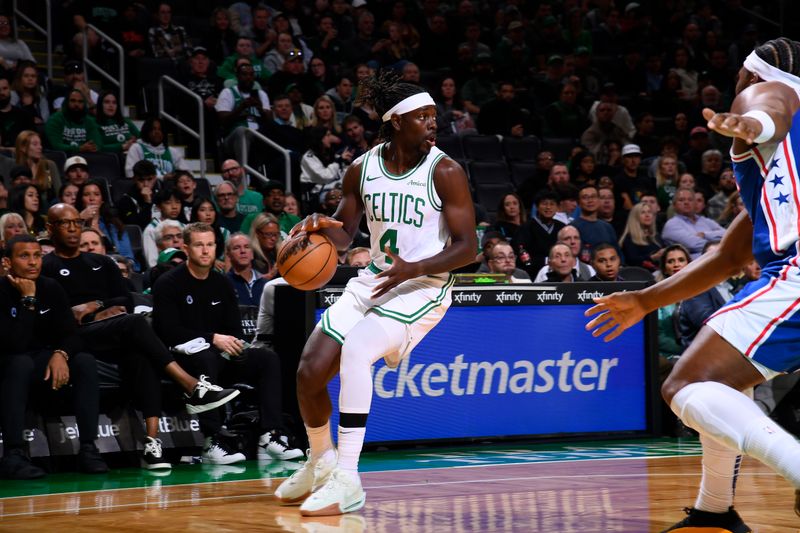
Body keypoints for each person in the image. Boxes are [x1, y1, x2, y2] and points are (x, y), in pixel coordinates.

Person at [585, 37, 800, 531]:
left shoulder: (765, 95)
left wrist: (752, 122)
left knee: (689, 383)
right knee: (724, 379)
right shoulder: (783, 170)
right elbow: (729, 255)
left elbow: (772, 105)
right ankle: (713, 508)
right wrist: (643, 299)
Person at [273, 72, 476, 515]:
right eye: (422, 116)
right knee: (309, 372)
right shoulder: (361, 168)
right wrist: (319, 228)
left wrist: (415, 267)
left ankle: (348, 476)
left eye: (433, 116)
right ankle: (321, 462)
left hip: (423, 286)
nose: (431, 123)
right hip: (376, 280)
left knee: (357, 349)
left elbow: (468, 249)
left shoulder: (445, 171)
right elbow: (345, 234)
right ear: (396, 121)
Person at [42, 204, 240, 470]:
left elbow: (124, 298)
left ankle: (151, 444)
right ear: (50, 228)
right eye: (65, 223)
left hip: (113, 331)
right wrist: (89, 313)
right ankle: (192, 387)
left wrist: (94, 305)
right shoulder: (46, 266)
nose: (73, 228)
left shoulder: (102, 263)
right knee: (137, 324)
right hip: (77, 337)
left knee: (141, 354)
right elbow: (55, 313)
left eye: (77, 222)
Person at [152, 222, 302, 464]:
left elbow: (232, 330)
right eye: (199, 245)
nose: (205, 251)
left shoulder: (221, 283)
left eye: (210, 245)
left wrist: (234, 344)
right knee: (205, 358)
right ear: (186, 248)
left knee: (266, 359)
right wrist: (212, 339)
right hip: (182, 360)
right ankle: (212, 441)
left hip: (219, 354)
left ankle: (270, 435)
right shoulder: (168, 283)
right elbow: (167, 332)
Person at [0, 235, 107, 479]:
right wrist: (28, 300)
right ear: (7, 262)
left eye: (37, 256)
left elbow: (72, 335)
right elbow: (15, 345)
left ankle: (88, 449)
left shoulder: (51, 287)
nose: (32, 262)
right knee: (21, 362)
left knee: (84, 361)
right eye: (24, 256)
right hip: (8, 363)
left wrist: (61, 353)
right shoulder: (1, 291)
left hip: (42, 361)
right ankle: (13, 454)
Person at [662, 187, 726, 259]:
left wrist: (705, 234)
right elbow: (694, 245)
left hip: (718, 258)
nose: (686, 202)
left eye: (690, 200)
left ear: (695, 203)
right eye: (681, 200)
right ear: (674, 205)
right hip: (692, 266)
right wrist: (724, 245)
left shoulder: (705, 220)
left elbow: (726, 233)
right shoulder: (671, 224)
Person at [618, 202, 664, 271]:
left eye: (649, 212)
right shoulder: (629, 238)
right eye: (643, 212)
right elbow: (632, 260)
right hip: (639, 275)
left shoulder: (656, 236)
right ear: (635, 217)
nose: (647, 215)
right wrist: (652, 257)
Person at [225, 232, 266, 305]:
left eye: (247, 247)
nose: (243, 251)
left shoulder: (265, 284)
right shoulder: (224, 283)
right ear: (229, 255)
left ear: (252, 254)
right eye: (236, 248)